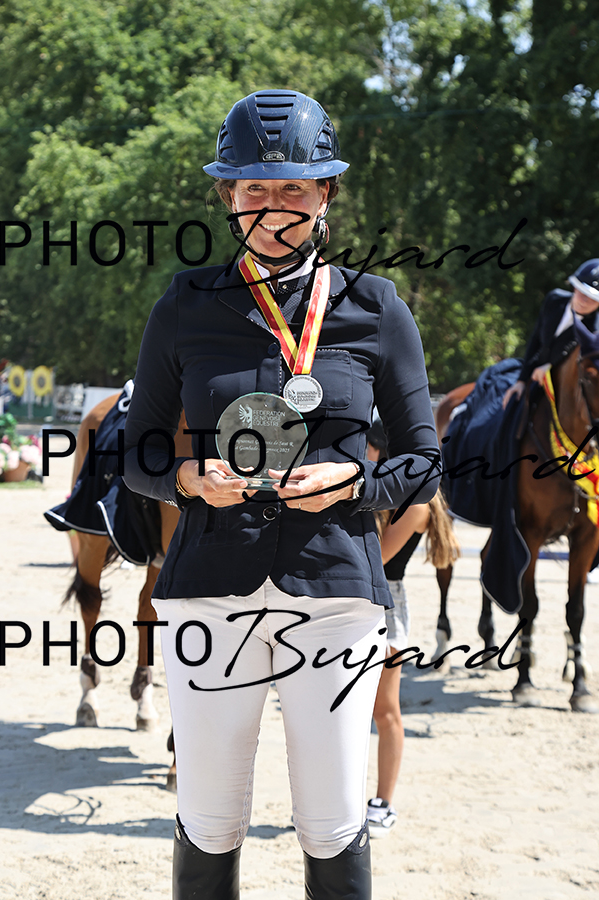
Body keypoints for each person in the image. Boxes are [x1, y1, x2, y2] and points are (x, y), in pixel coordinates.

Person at [123, 89, 440, 900]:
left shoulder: (376, 307)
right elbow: (137, 449)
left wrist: (355, 482)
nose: (273, 208)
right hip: (208, 592)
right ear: (228, 197)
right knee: (209, 819)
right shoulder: (184, 304)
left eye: (293, 188)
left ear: (326, 193)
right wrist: (188, 479)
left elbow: (424, 461)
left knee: (331, 823)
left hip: (335, 594)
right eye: (254, 189)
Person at [364, 422, 459, 838]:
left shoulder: (415, 504)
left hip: (385, 602)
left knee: (384, 710)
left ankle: (383, 803)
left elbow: (378, 560)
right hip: (349, 600)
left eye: (366, 449)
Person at [502, 258, 599, 408]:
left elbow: (582, 366)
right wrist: (521, 380)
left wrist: (551, 368)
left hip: (561, 387)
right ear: (575, 287)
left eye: (593, 299)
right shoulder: (554, 299)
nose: (585, 301)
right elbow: (536, 338)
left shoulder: (594, 331)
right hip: (532, 369)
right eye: (582, 292)